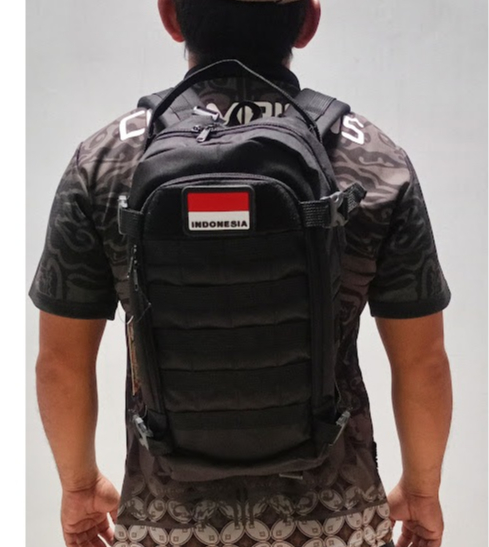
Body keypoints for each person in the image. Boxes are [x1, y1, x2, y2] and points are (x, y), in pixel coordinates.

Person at [30, 1, 453, 546]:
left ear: (170, 17)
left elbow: (61, 362)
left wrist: (79, 486)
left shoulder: (107, 159)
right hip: (336, 519)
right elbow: (422, 362)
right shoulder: (373, 159)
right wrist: (422, 491)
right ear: (308, 22)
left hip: (166, 523)